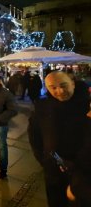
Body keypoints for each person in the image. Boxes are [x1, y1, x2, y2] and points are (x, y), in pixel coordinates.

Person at [28, 71, 91, 206]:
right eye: (53, 87)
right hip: (54, 170)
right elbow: (34, 136)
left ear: (73, 84)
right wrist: (44, 160)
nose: (60, 91)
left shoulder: (88, 104)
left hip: (84, 172)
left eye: (64, 85)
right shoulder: (42, 107)